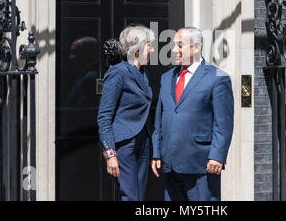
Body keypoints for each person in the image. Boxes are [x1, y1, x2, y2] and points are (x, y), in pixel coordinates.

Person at [151, 27, 234, 201]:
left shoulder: (218, 77)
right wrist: (157, 152)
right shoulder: (166, 78)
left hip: (201, 164)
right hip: (170, 163)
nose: (174, 51)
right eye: (174, 45)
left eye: (179, 46)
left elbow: (223, 123)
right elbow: (160, 118)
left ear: (196, 47)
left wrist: (217, 156)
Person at [97, 25, 155, 201]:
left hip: (143, 141)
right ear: (137, 48)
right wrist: (110, 154)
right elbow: (104, 117)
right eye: (149, 45)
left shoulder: (142, 73)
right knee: (130, 196)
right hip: (124, 144)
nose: (152, 49)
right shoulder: (118, 72)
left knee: (139, 197)